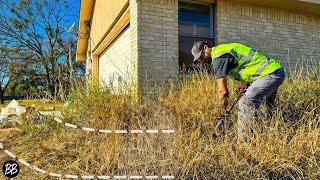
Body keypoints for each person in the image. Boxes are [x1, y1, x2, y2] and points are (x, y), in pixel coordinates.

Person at [191, 41, 285, 144]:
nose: (202, 60)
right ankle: (276, 137)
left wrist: (223, 110)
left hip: (268, 75)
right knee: (267, 108)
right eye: (199, 59)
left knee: (245, 103)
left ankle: (244, 145)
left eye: (201, 56)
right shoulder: (224, 49)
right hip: (273, 71)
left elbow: (222, 91)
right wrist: (244, 83)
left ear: (206, 48)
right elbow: (246, 64)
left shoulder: (218, 57)